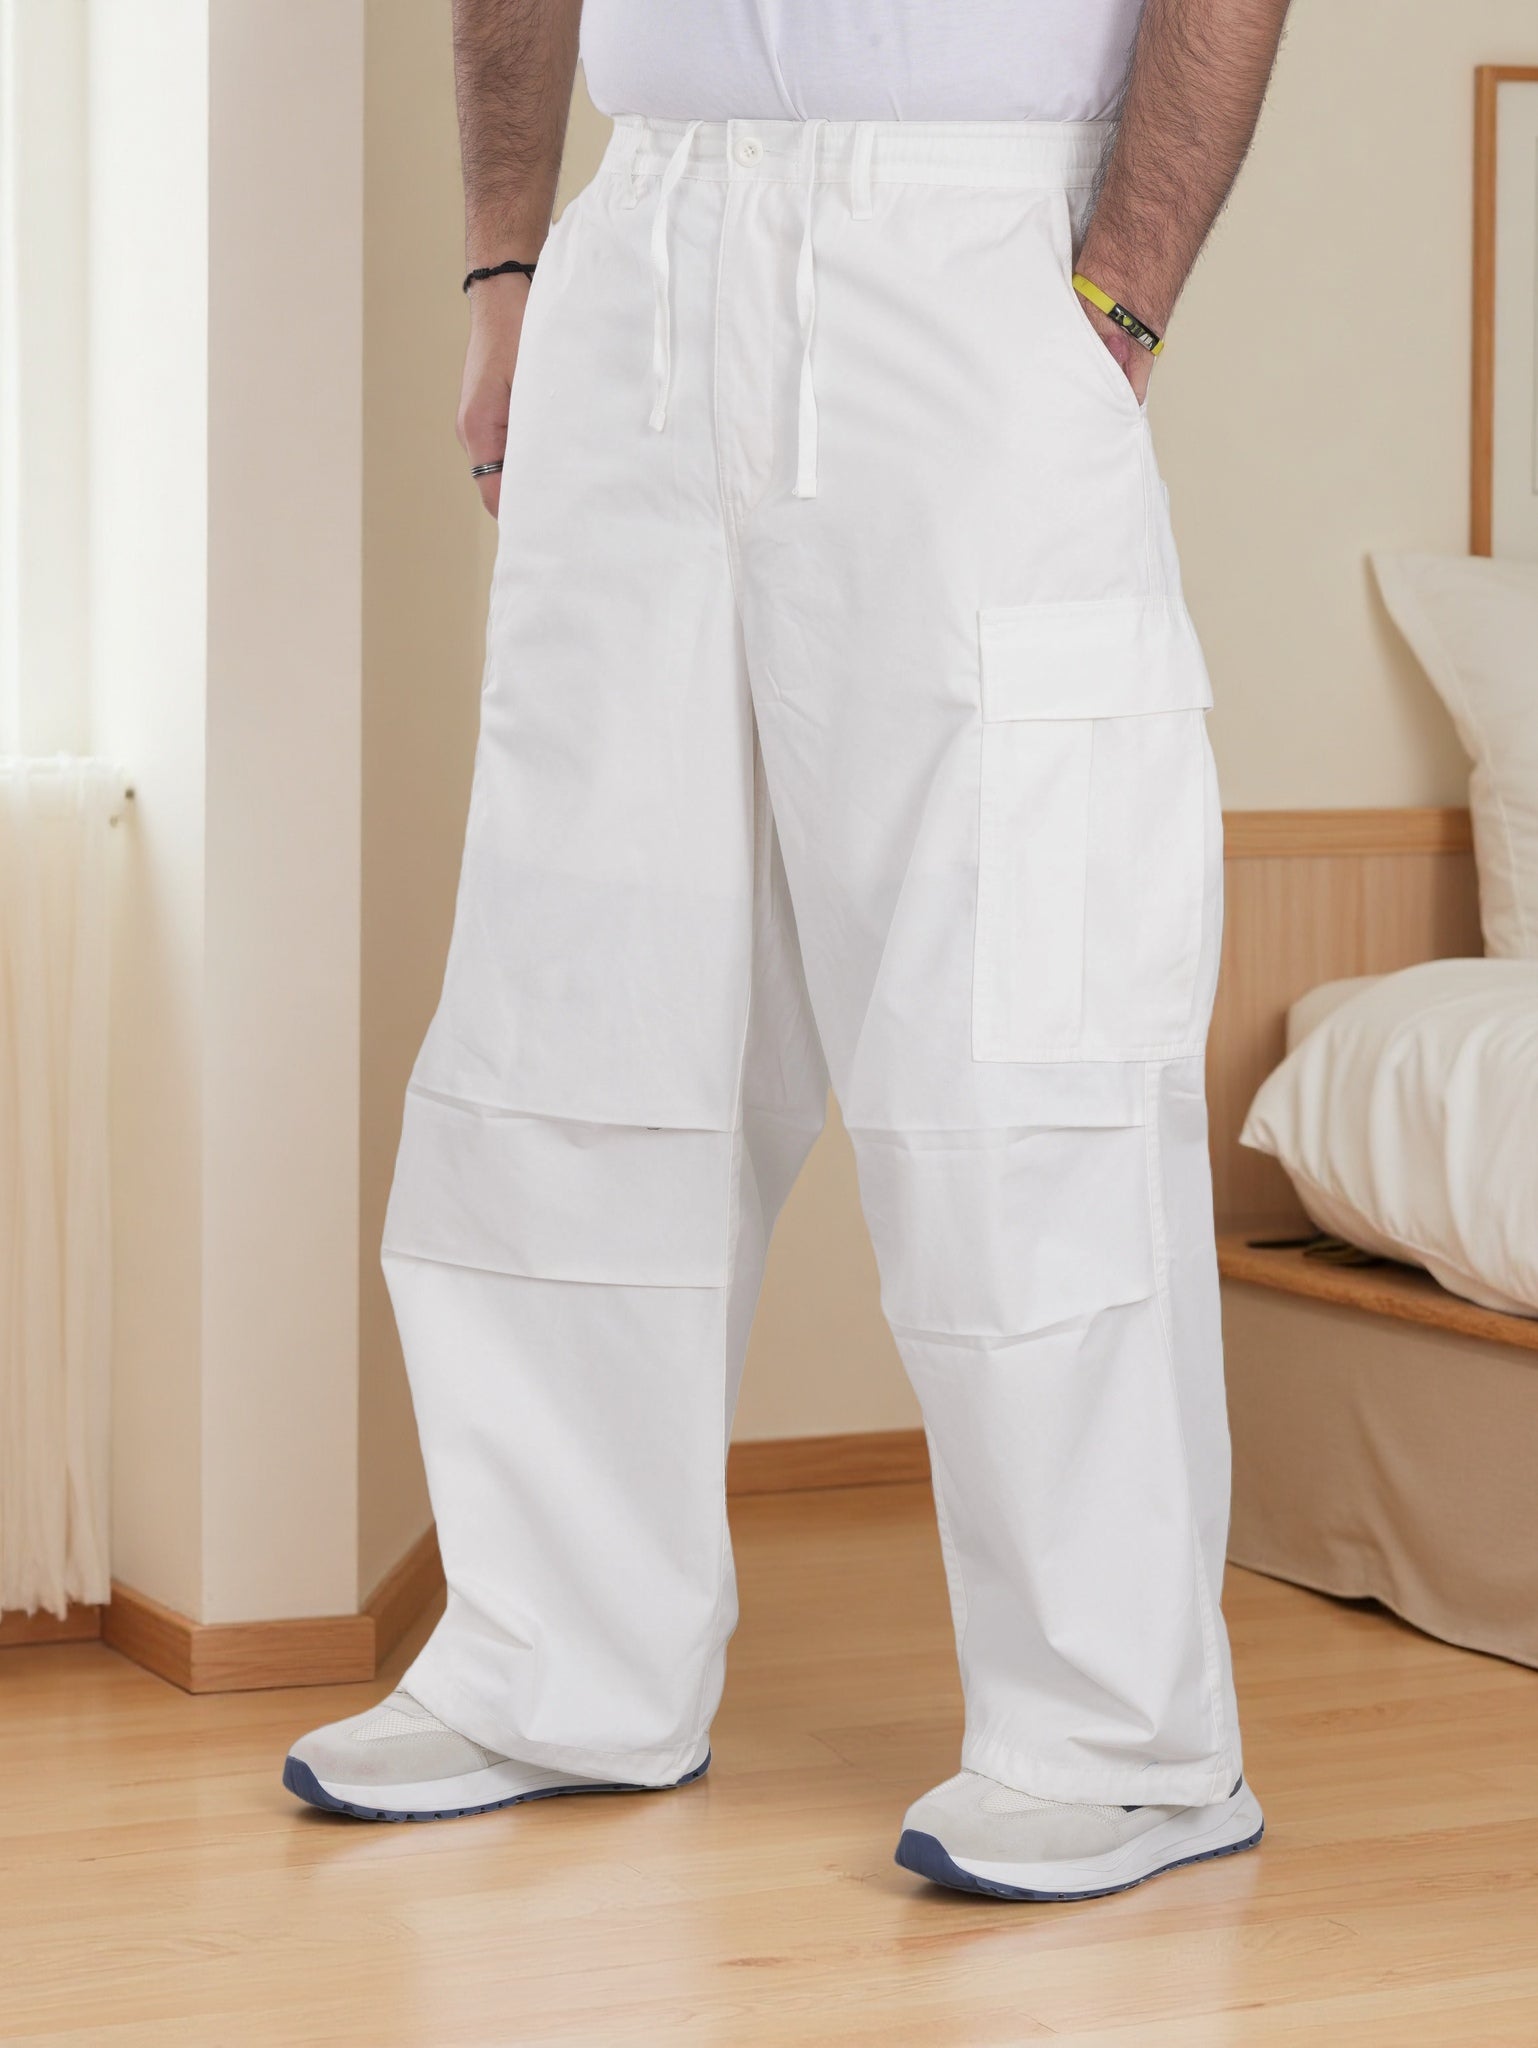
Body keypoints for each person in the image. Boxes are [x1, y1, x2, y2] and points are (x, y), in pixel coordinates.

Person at [285, 0, 1290, 1902]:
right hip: (640, 256)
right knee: (574, 1000)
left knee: (1017, 1013)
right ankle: (554, 1666)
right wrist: (507, 262)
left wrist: (1125, 288)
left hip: (973, 255)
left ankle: (1119, 1737)